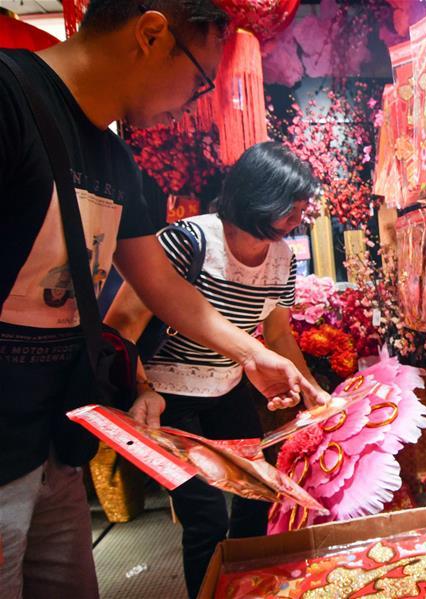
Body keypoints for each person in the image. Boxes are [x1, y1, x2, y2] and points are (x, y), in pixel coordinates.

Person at [0, 2, 311, 598]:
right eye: (200, 80)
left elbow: (166, 291)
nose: (197, 103)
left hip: (55, 447)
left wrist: (255, 357)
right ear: (150, 34)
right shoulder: (9, 99)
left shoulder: (119, 163)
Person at [105, 141, 331, 598]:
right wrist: (142, 390)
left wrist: (310, 391)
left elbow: (278, 335)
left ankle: (250, 588)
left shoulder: (282, 259)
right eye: (292, 206)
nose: (299, 218)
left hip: (228, 388)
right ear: (259, 195)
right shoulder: (187, 241)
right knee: (204, 514)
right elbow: (122, 326)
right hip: (168, 396)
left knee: (258, 492)